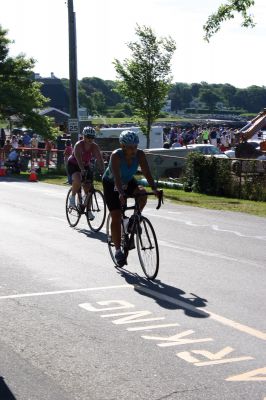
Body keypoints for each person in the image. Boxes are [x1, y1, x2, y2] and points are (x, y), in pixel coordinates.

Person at [102, 130, 160, 266]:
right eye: (130, 147)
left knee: (142, 193)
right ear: (123, 146)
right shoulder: (116, 156)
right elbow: (116, 177)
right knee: (116, 215)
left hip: (128, 180)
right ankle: (117, 251)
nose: (134, 150)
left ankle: (133, 220)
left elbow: (147, 172)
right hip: (111, 183)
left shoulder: (139, 154)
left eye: (135, 146)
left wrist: (154, 188)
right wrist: (121, 193)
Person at [67, 127, 105, 217]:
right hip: (73, 164)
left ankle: (88, 211)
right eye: (88, 137)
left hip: (86, 165)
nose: (90, 139)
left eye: (92, 137)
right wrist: (82, 170)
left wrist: (103, 170)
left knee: (89, 189)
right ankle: (72, 198)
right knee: (78, 178)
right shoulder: (79, 145)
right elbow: (78, 159)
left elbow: (100, 159)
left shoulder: (94, 146)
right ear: (84, 136)